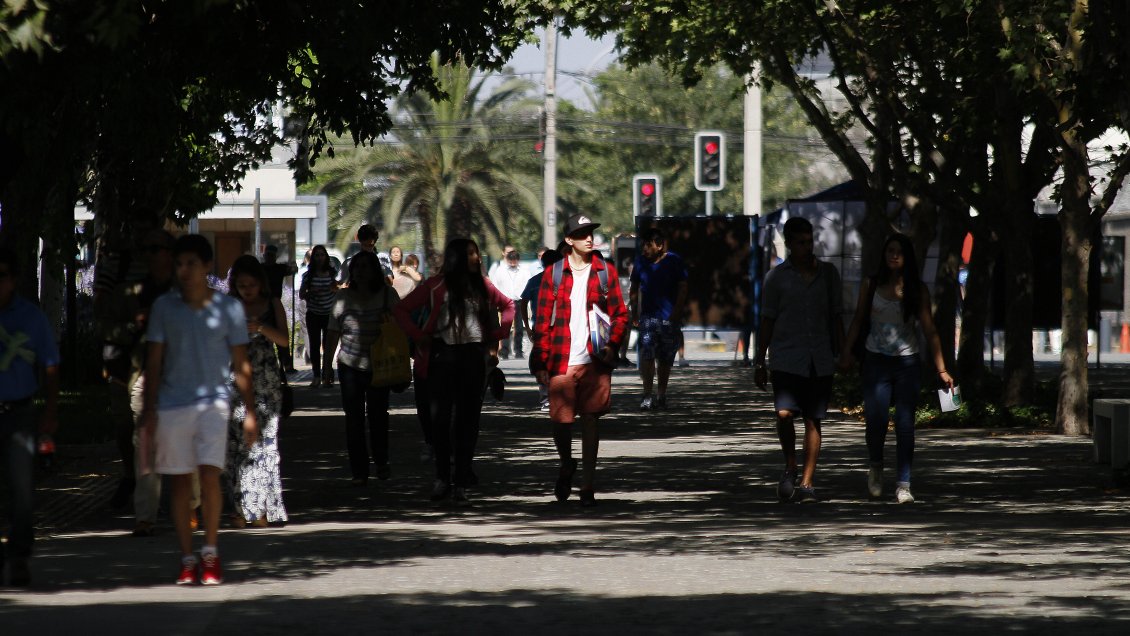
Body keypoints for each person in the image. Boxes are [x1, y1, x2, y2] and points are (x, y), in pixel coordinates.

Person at [141, 234, 257, 585]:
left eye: (191, 263)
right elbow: (154, 361)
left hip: (214, 403)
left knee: (209, 476)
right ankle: (186, 557)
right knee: (179, 483)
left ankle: (210, 553)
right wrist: (149, 410)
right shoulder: (164, 308)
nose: (184, 270)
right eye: (179, 264)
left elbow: (241, 364)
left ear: (208, 267)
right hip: (173, 404)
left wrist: (250, 412)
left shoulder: (229, 309)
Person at [97, 228, 202, 537]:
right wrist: (134, 324)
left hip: (182, 374)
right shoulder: (131, 291)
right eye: (147, 248)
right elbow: (104, 326)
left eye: (156, 248)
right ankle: (145, 514)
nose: (150, 254)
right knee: (144, 443)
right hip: (142, 372)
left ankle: (192, 505)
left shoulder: (187, 291)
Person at [394, 238, 514, 505]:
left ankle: (460, 480)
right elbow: (401, 309)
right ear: (457, 257)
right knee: (440, 420)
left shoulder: (482, 286)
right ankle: (441, 478)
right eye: (471, 253)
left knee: (468, 421)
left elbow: (509, 306)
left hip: (472, 356)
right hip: (441, 356)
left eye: (477, 252)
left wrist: (498, 333)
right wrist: (418, 336)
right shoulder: (436, 285)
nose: (477, 257)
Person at [839, 233, 955, 504]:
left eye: (899, 251)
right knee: (876, 421)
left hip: (907, 362)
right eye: (890, 250)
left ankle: (904, 483)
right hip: (875, 360)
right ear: (884, 254)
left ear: (907, 257)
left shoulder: (917, 290)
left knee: (905, 424)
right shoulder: (871, 284)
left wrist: (942, 370)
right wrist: (845, 352)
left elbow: (930, 330)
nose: (894, 255)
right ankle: (876, 465)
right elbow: (857, 320)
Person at [532, 214, 629, 507]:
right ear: (569, 240)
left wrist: (613, 346)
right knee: (561, 423)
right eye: (582, 233)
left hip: (594, 361)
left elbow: (620, 314)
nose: (589, 238)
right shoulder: (555, 274)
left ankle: (587, 485)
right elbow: (542, 323)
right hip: (561, 360)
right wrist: (540, 363)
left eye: (590, 232)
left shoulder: (605, 272)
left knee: (590, 421)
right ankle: (566, 462)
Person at [753, 217, 844, 504]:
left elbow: (835, 317)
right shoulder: (776, 278)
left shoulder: (828, 274)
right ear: (789, 244)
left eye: (809, 241)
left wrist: (843, 353)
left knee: (813, 419)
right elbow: (767, 320)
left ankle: (807, 481)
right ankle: (790, 465)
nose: (807, 247)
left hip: (819, 357)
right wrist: (759, 360)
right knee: (784, 414)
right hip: (785, 357)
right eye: (800, 242)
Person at [0, 245, 60, 587]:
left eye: (2, 276)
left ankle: (19, 554)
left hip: (20, 412)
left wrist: (50, 412)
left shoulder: (30, 317)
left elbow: (51, 364)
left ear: (13, 280)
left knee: (22, 490)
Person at [324, 250, 400, 486]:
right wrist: (326, 366)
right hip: (350, 365)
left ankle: (381, 461)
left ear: (375, 270)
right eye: (357, 267)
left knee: (378, 416)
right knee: (354, 419)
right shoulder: (342, 298)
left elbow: (401, 326)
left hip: (380, 366)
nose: (360, 271)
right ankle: (359, 470)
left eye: (366, 267)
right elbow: (333, 332)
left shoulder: (388, 294)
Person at [225, 255, 289, 526]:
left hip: (267, 381)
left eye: (251, 284)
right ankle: (241, 508)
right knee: (238, 445)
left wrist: (262, 327)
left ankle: (261, 508)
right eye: (241, 285)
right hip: (235, 378)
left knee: (264, 445)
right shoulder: (230, 307)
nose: (247, 290)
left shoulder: (272, 305)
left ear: (260, 284)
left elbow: (285, 341)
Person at [630, 227, 688, 411]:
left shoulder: (674, 261)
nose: (644, 249)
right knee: (647, 355)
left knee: (665, 359)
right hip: (648, 318)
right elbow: (634, 288)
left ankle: (661, 394)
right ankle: (647, 394)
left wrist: (676, 313)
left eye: (648, 245)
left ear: (660, 245)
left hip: (669, 319)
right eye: (643, 246)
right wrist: (634, 313)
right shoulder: (640, 262)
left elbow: (683, 288)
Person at [520, 248, 564, 412]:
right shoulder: (537, 281)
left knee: (543, 361)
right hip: (545, 327)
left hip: (548, 327)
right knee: (545, 361)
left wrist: (526, 325)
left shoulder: (536, 281)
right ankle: (548, 397)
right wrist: (526, 326)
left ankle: (549, 396)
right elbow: (523, 302)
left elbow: (522, 303)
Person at [300, 244, 338, 388]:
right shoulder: (308, 275)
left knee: (328, 346)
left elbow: (339, 289)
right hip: (313, 314)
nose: (320, 258)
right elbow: (301, 294)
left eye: (322, 255)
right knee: (314, 346)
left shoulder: (333, 273)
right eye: (317, 255)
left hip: (329, 314)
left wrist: (334, 290)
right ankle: (316, 375)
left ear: (326, 257)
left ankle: (327, 375)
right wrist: (311, 292)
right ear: (313, 258)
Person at [261, 244, 298, 373]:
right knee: (267, 335)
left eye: (271, 255)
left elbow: (293, 270)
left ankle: (286, 363)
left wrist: (293, 266)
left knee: (281, 333)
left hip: (276, 303)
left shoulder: (279, 268)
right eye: (267, 255)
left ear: (275, 257)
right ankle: (272, 363)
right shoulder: (261, 268)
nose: (269, 258)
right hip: (264, 305)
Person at [489, 249, 527, 359]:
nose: (513, 263)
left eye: (515, 261)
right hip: (506, 302)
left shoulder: (524, 271)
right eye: (511, 261)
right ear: (508, 260)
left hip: (519, 301)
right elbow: (495, 286)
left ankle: (518, 351)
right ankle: (505, 351)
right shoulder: (500, 271)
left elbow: (527, 285)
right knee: (506, 326)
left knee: (519, 327)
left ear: (518, 260)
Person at [339, 224, 393, 288]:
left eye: (370, 245)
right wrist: (344, 287)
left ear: (375, 242)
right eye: (365, 245)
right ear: (360, 242)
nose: (367, 249)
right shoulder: (349, 262)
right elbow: (335, 284)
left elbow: (390, 283)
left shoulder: (383, 258)